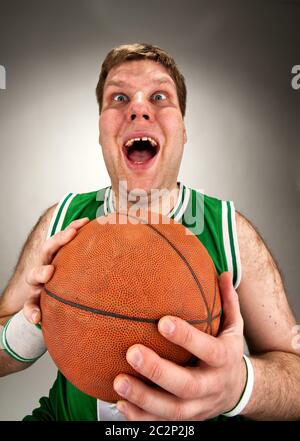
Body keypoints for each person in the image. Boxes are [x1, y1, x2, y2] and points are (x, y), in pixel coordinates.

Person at [0, 43, 299, 421]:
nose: (138, 108)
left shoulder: (228, 231)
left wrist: (241, 386)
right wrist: (32, 323)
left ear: (184, 130)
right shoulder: (61, 224)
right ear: (100, 130)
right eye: (119, 97)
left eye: (159, 96)